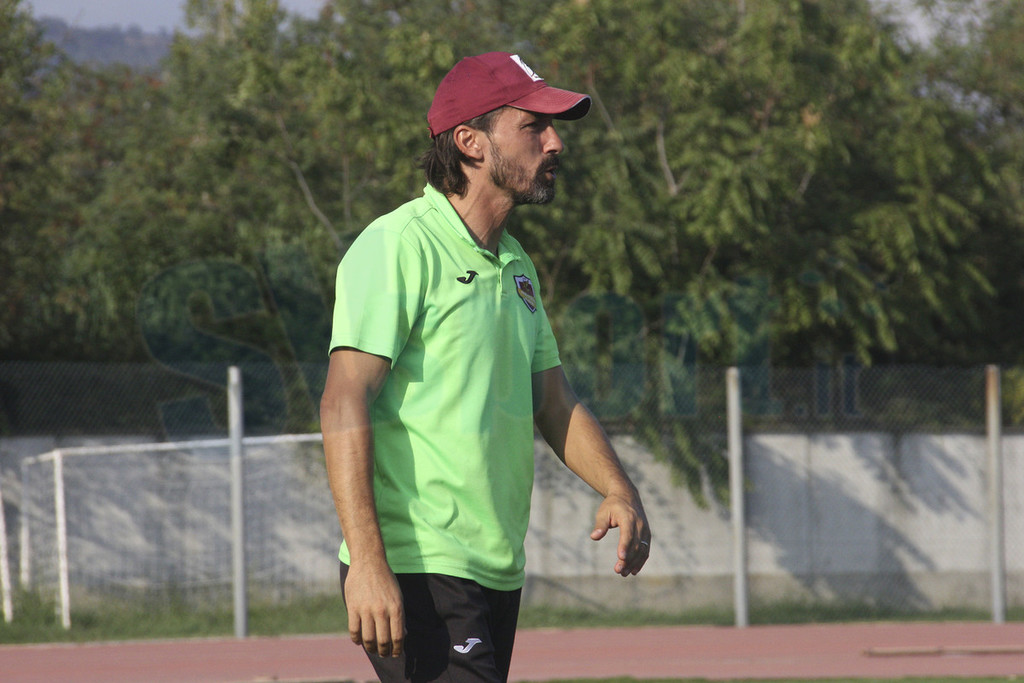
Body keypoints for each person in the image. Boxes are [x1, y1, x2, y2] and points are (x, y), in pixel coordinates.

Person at [320, 51, 651, 683]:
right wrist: (367, 563)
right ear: (470, 142)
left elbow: (553, 401)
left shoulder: (516, 263)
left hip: (496, 570)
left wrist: (618, 489)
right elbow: (343, 400)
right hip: (418, 562)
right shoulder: (399, 245)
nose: (555, 143)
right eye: (533, 126)